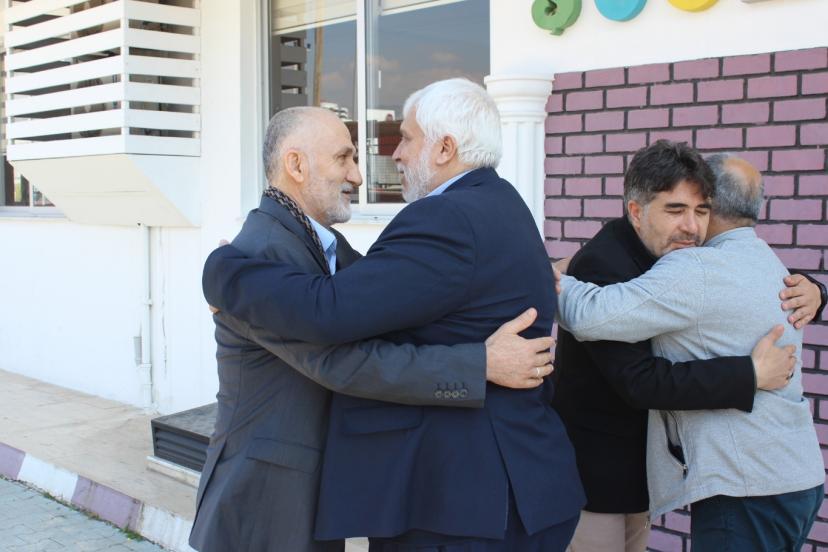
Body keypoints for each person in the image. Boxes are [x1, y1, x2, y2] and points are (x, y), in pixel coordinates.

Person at [202, 79, 585, 550]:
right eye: (345, 157)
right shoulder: (500, 202)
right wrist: (481, 361)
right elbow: (374, 300)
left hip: (470, 503)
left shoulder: (447, 218)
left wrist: (221, 273)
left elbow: (330, 311)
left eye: (405, 138)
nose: (390, 157)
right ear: (296, 165)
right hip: (492, 492)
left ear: (445, 148)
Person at [549, 141, 824, 552]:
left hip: (653, 475)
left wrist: (818, 291)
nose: (692, 226)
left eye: (701, 210)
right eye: (676, 210)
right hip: (596, 472)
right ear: (636, 211)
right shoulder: (616, 263)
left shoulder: (688, 261)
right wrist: (749, 374)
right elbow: (637, 378)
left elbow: (737, 292)